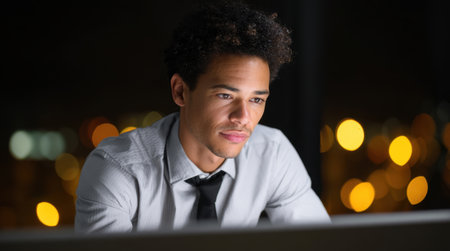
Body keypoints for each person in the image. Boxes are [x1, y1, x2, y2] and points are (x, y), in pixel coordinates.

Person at [75, 1, 330, 233]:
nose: (243, 117)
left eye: (256, 100)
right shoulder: (118, 169)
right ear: (180, 91)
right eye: (225, 96)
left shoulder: (272, 153)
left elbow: (321, 244)